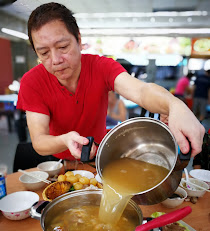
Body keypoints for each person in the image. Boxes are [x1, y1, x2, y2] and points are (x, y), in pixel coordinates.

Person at [17, 2, 205, 162]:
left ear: (79, 40)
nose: (56, 59)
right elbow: (39, 141)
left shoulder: (101, 66)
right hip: (59, 161)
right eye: (44, 53)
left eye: (63, 47)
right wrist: (64, 140)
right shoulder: (32, 82)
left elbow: (141, 91)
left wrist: (175, 105)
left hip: (100, 156)